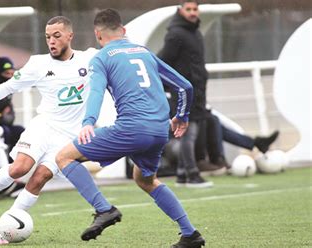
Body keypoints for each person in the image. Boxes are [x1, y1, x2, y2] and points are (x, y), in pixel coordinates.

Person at [56, 9, 206, 247]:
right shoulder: (144, 52)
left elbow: (95, 92)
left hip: (132, 129)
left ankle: (104, 209)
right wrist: (182, 116)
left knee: (64, 157)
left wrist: (88, 122)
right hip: (159, 130)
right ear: (123, 30)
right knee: (145, 180)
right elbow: (185, 86)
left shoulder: (102, 58)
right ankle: (190, 234)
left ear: (98, 35)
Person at [0, 16, 98, 245]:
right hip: (44, 126)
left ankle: (2, 229)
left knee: (39, 178)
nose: (51, 41)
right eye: (48, 36)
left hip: (68, 138)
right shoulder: (38, 64)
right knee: (21, 168)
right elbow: (7, 87)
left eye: (57, 36)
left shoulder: (90, 58)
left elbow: (118, 52)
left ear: (70, 36)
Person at [158, 0, 213, 188]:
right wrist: (171, 86)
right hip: (183, 92)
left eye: (195, 9)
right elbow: (163, 61)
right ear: (180, 11)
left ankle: (181, 175)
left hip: (197, 91)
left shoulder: (196, 33)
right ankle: (192, 174)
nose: (192, 12)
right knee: (189, 133)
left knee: (190, 132)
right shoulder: (175, 35)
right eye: (188, 9)